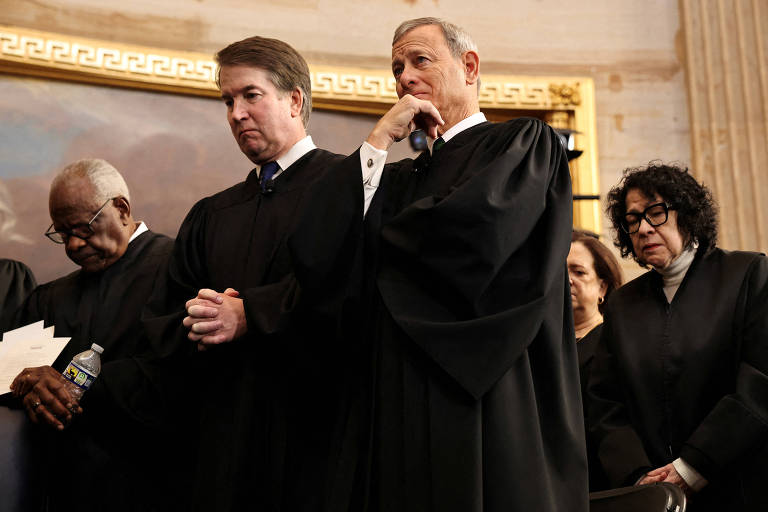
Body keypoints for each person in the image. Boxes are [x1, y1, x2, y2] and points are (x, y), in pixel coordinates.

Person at [280, 17, 586, 512]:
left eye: (420, 60)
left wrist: (378, 244)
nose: (405, 77)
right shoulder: (393, 176)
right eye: (397, 68)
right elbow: (320, 249)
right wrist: (378, 140)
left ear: (469, 67)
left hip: (487, 391)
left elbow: (475, 235)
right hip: (395, 393)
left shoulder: (521, 144)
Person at [141, 35, 344, 511]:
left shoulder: (350, 188)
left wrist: (252, 313)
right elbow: (161, 323)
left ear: (295, 100)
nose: (235, 114)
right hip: (221, 439)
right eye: (228, 101)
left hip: (313, 434)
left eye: (251, 95)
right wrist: (200, 318)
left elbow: (349, 295)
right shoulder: (213, 213)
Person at [587, 162, 768, 511]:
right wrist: (637, 475)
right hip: (653, 494)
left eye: (655, 213)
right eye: (632, 220)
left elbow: (759, 383)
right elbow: (604, 403)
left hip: (738, 483)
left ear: (687, 213)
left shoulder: (748, 274)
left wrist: (692, 465)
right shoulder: (623, 304)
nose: (643, 228)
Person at [3, 158, 174, 510]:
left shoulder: (179, 270)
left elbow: (176, 374)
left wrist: (71, 383)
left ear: (121, 209)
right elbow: (8, 374)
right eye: (63, 235)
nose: (73, 246)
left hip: (152, 483)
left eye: (82, 229)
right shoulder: (51, 298)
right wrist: (31, 384)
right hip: (61, 486)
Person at [567, 230, 622, 491]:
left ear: (602, 287)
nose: (566, 280)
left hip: (599, 482)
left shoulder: (617, 342)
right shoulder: (539, 345)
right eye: (559, 272)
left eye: (578, 272)